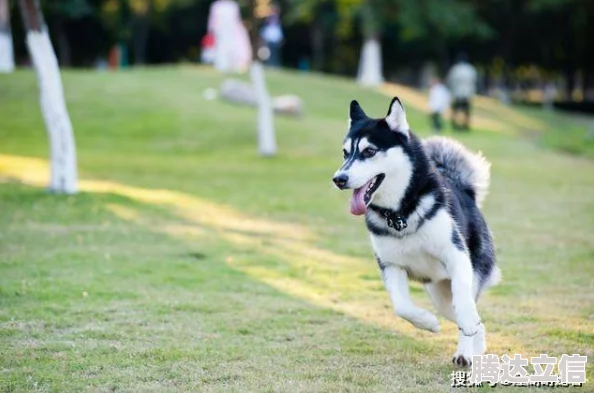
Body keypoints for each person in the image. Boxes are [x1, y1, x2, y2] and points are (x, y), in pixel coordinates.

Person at [207, 0, 252, 73]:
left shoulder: (231, 5)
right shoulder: (218, 5)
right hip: (220, 30)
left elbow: (236, 20)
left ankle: (230, 65)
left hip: (230, 30)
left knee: (229, 47)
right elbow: (213, 20)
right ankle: (223, 65)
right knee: (222, 47)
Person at [447, 53, 477, 131]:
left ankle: (455, 125)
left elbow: (451, 81)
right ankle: (465, 126)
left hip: (457, 93)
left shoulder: (456, 69)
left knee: (455, 111)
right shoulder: (471, 69)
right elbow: (474, 81)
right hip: (467, 93)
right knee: (466, 111)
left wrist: (451, 91)